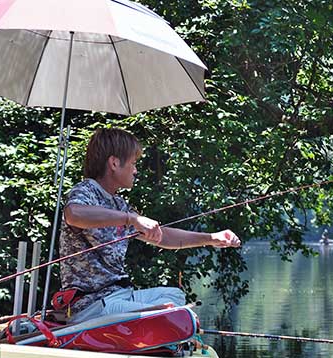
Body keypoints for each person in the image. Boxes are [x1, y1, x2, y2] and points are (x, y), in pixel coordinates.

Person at [55, 128, 241, 323]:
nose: (135, 170)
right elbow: (74, 214)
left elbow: (162, 236)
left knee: (175, 295)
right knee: (168, 314)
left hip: (119, 296)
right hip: (91, 305)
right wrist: (130, 219)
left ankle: (156, 315)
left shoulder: (118, 204)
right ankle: (157, 316)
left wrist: (211, 238)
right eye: (133, 163)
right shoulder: (86, 190)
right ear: (114, 163)